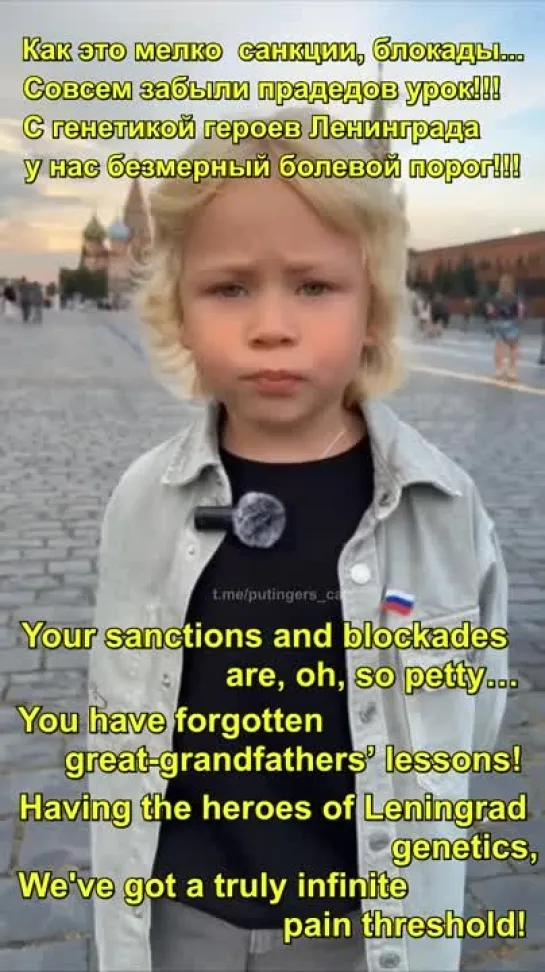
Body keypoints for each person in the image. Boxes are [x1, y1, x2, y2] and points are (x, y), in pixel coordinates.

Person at [89, 109, 509, 972]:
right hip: (179, 921)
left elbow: (474, 713)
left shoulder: (442, 508)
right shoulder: (141, 502)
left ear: (374, 310)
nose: (270, 325)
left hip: (360, 927)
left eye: (314, 287)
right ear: (177, 311)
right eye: (230, 287)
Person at [486, 274, 523, 381]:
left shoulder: (495, 297)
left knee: (499, 347)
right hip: (511, 323)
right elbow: (520, 309)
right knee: (514, 347)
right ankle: (512, 371)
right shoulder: (515, 297)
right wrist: (519, 319)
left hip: (498, 323)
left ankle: (499, 370)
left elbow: (490, 310)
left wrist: (492, 317)